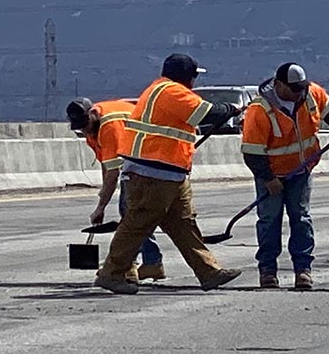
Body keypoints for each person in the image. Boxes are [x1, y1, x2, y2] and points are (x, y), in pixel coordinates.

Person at [94, 53, 244, 294]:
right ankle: (112, 273)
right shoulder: (171, 91)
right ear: (187, 76)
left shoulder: (162, 90)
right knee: (137, 223)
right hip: (152, 171)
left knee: (184, 224)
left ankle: (208, 272)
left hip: (170, 173)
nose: (195, 81)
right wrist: (231, 108)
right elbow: (203, 113)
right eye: (194, 76)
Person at [241, 63, 329, 289]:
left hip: (301, 170)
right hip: (271, 173)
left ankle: (303, 270)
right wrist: (269, 179)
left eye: (301, 87)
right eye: (294, 89)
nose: (299, 93)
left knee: (301, 218)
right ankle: (268, 271)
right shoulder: (260, 109)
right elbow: (252, 152)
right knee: (269, 220)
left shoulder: (311, 93)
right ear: (279, 85)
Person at [66, 97, 165, 283]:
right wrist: (103, 197)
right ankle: (151, 263)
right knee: (134, 214)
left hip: (152, 158)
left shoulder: (110, 127)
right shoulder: (92, 129)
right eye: (80, 127)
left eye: (85, 125)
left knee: (131, 215)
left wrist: (100, 207)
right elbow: (107, 165)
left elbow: (113, 173)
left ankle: (127, 267)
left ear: (93, 113)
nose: (84, 130)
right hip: (138, 161)